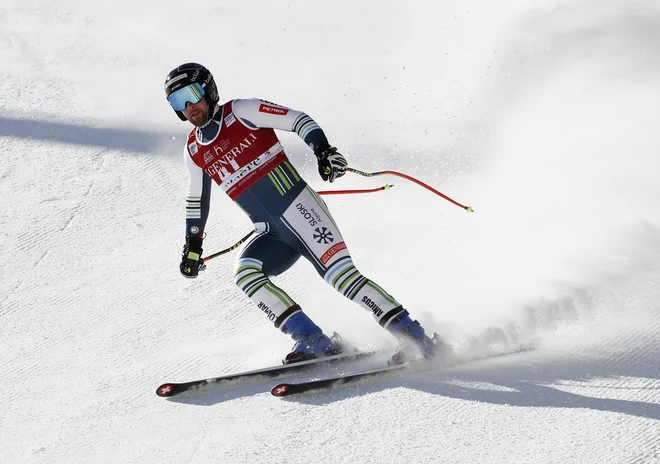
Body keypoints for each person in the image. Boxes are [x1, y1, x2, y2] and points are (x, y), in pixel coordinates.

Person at [165, 62, 440, 364]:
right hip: (270, 232)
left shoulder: (241, 111)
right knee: (246, 274)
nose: (189, 106)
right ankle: (313, 341)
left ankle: (417, 338)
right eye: (178, 102)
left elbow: (298, 120)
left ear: (209, 89)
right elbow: (196, 199)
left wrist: (323, 151)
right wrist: (193, 246)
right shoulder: (194, 150)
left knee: (341, 277)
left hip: (301, 209)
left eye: (192, 94)